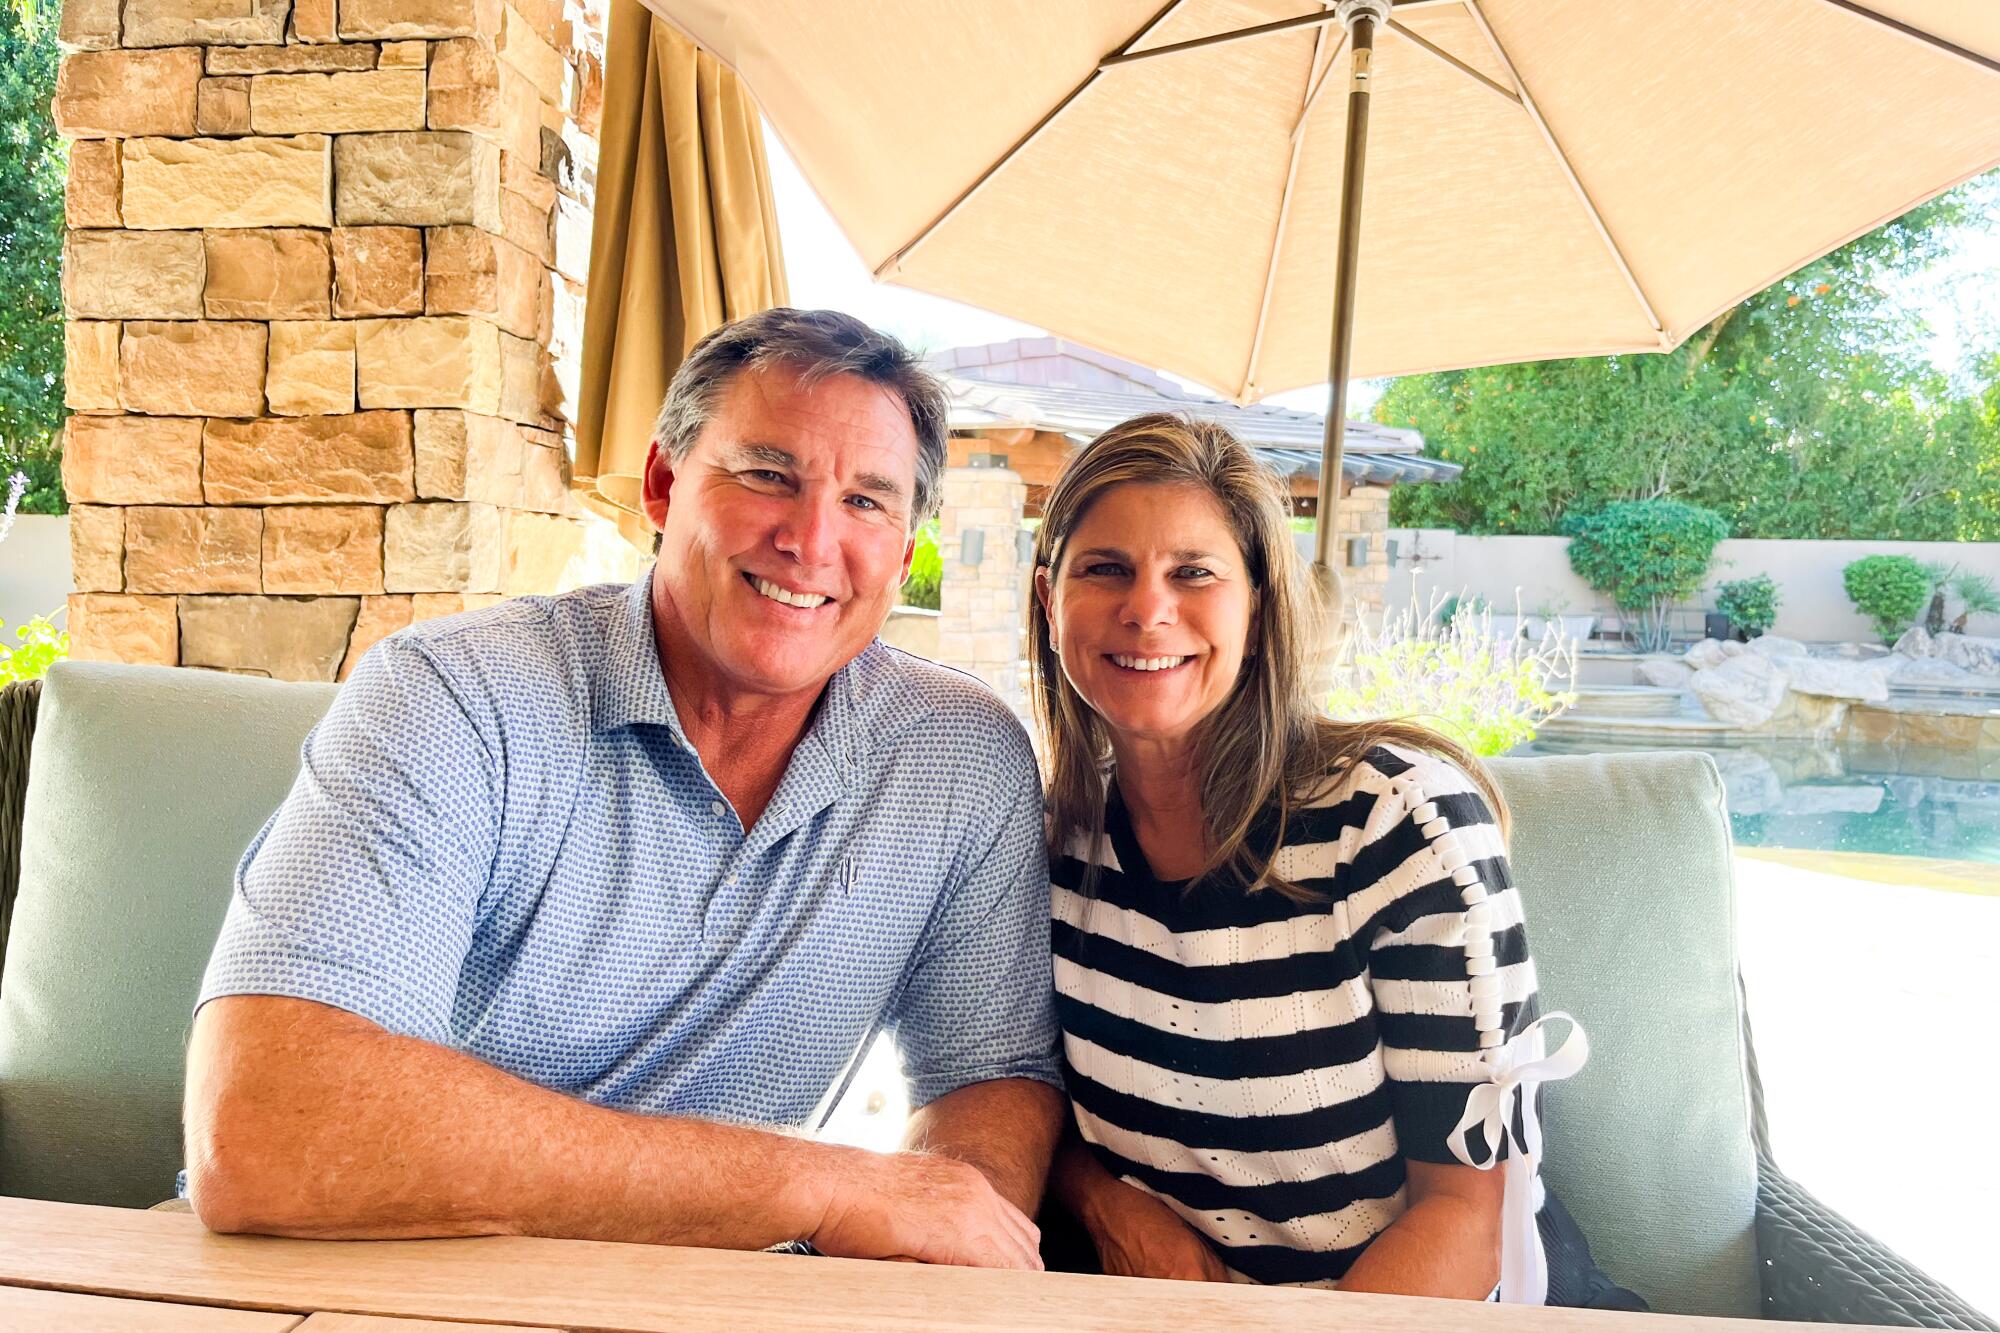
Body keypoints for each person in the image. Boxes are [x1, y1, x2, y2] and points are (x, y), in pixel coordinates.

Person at [183, 308, 1063, 1270]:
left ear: (902, 551)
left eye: (866, 502)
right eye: (767, 474)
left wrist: (912, 1259)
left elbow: (994, 1075)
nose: (811, 539)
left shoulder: (959, 758)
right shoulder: (456, 695)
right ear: (661, 483)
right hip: (355, 1267)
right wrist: (824, 1187)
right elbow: (265, 1123)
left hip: (700, 1295)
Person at [1029, 413, 1633, 1305]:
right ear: (1049, 599)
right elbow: (1028, 1091)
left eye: (1193, 572)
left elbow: (1469, 1210)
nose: (1147, 608)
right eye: (1105, 568)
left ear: (1259, 603)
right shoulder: (1052, 842)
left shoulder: (1397, 825)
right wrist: (1102, 1197)